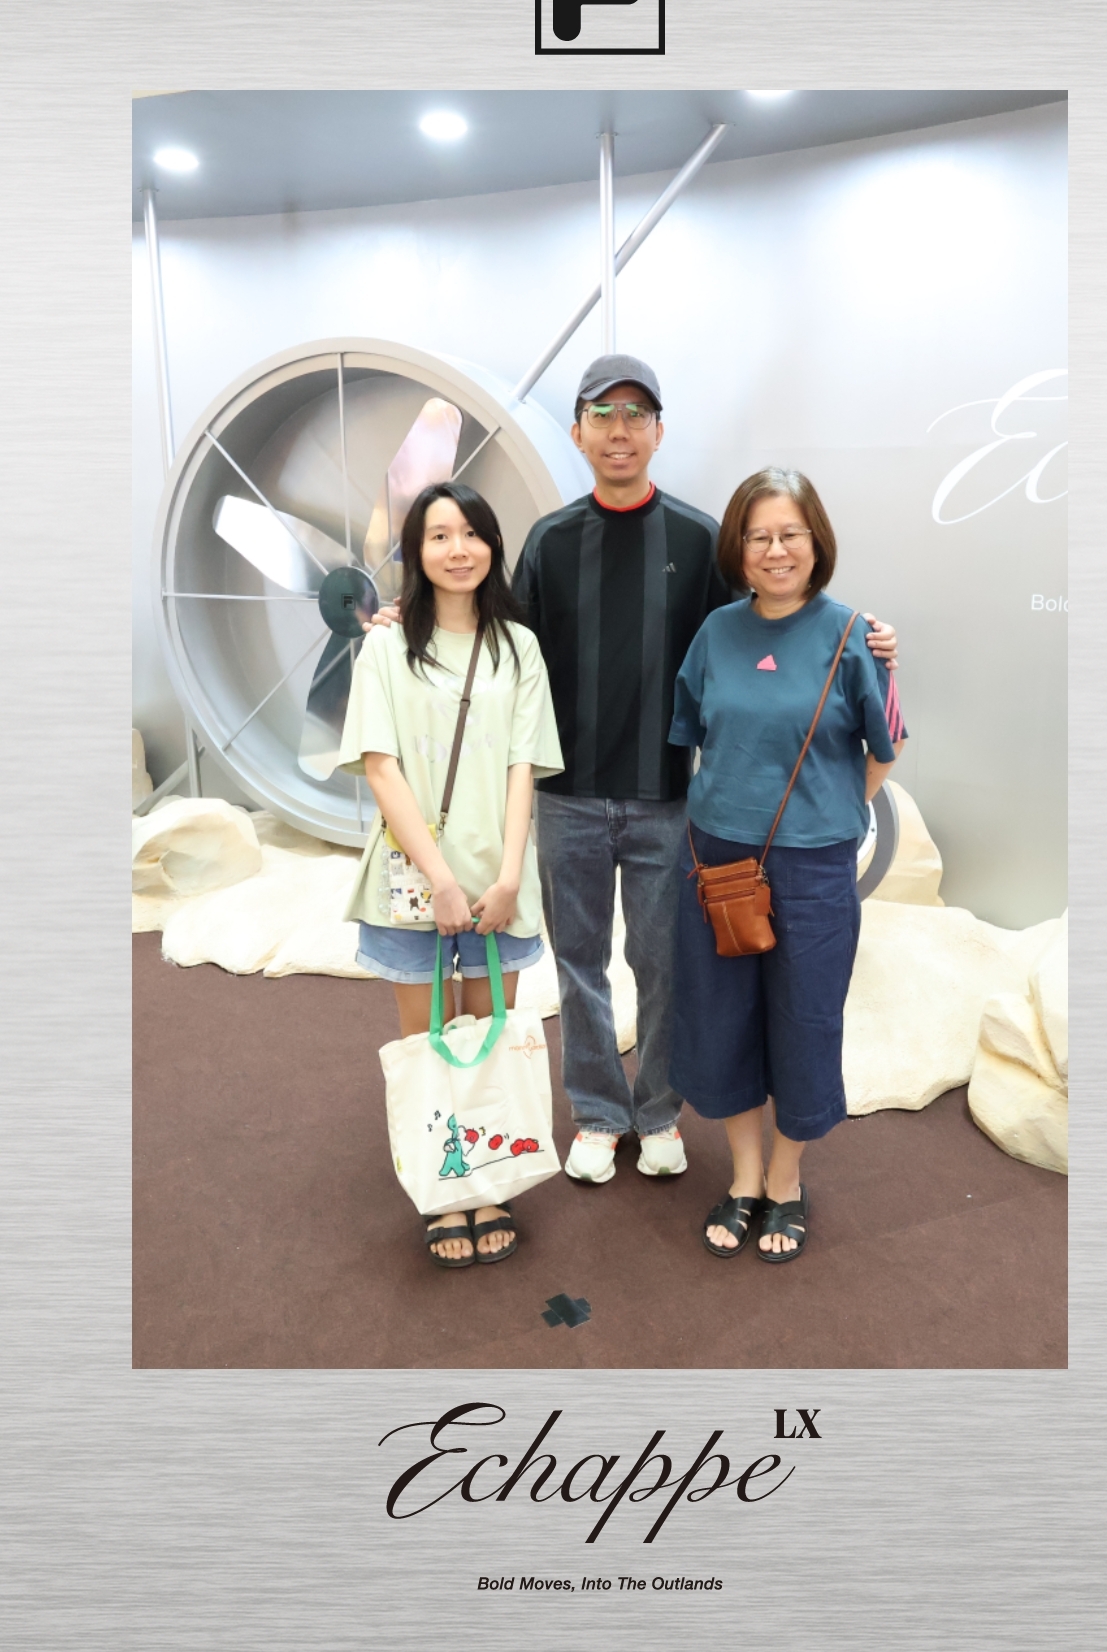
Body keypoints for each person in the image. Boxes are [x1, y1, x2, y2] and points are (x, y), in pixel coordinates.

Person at [371, 355, 899, 1186]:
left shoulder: (695, 538)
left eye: (636, 415)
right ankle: (596, 1112)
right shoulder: (550, 541)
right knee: (578, 966)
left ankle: (657, 1111)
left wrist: (867, 639)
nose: (619, 431)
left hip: (669, 800)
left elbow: (769, 616)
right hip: (566, 797)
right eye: (602, 415)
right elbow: (500, 634)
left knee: (665, 967)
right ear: (578, 432)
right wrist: (411, 612)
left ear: (658, 432)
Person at [668, 467, 907, 1263]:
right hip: (716, 859)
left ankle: (785, 1179)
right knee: (722, 1017)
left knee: (805, 1019)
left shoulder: (854, 635)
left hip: (813, 870)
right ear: (738, 550)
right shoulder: (715, 633)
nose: (775, 551)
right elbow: (693, 734)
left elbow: (885, 748)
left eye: (790, 534)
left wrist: (829, 812)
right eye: (758, 536)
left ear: (816, 542)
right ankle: (742, 1175)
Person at [336, 481, 563, 1269]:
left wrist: (508, 876)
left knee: (488, 1035)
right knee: (427, 1039)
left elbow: (523, 767)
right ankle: (444, 1191)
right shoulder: (385, 647)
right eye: (439, 535)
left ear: (493, 546)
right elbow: (381, 766)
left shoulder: (519, 647)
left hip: (498, 878)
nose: (457, 549)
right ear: (416, 551)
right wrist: (440, 879)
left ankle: (488, 1180)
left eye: (471, 533)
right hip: (416, 877)